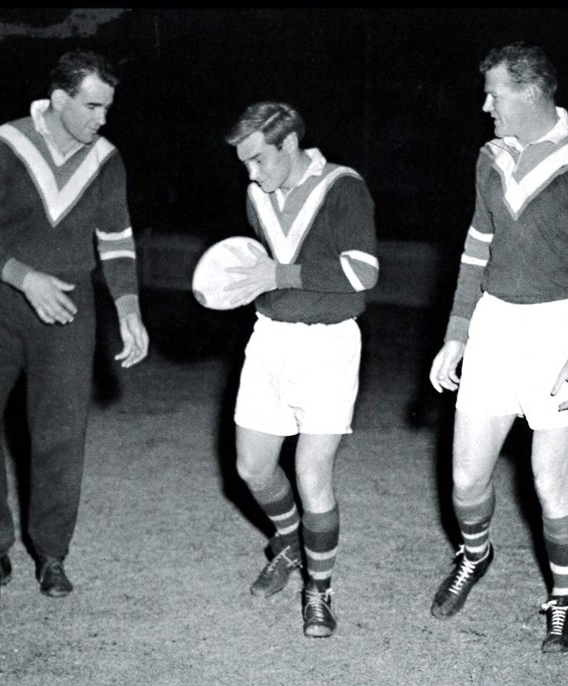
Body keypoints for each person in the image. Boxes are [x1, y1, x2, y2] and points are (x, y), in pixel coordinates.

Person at [428, 42, 568, 653]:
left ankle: (563, 602)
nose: (486, 104)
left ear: (533, 91)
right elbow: (474, 249)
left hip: (558, 330)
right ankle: (475, 554)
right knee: (466, 479)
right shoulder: (491, 157)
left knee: (550, 480)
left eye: (496, 92)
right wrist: (457, 332)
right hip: (495, 323)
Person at [0, 50, 149, 607]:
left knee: (60, 437)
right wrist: (24, 276)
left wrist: (128, 309)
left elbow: (115, 241)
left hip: (68, 310)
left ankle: (52, 554)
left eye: (107, 107)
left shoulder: (106, 159)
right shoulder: (4, 145)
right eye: (91, 106)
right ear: (59, 100)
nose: (101, 119)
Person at [223, 102, 379, 637]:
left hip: (329, 345)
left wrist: (280, 273)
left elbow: (362, 273)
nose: (251, 173)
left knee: (313, 475)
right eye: (244, 163)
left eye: (258, 159)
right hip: (269, 340)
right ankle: (290, 541)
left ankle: (320, 590)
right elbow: (262, 270)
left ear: (288, 144)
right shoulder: (256, 196)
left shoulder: (343, 187)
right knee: (253, 468)